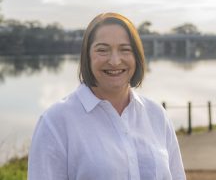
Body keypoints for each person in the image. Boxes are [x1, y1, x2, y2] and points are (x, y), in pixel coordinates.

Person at [28, 12, 186, 180]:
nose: (115, 61)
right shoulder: (55, 122)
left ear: (137, 56)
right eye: (102, 50)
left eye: (125, 49)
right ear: (87, 57)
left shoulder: (156, 114)